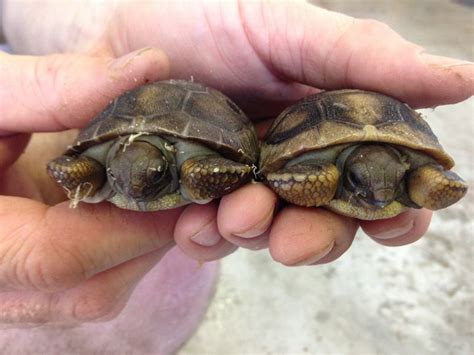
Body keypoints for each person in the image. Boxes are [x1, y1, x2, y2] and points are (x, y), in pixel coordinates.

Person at [0, 0, 472, 351]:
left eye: (150, 178)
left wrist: (102, 28)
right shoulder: (115, 168)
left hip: (161, 269)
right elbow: (75, 167)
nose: (133, 188)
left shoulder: (216, 167)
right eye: (124, 180)